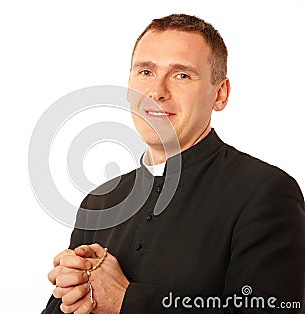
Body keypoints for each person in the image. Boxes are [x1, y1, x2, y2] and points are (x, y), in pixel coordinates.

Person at [43, 14, 305, 313]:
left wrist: (126, 299)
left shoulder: (266, 192)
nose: (157, 91)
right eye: (145, 71)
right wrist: (71, 290)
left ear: (220, 94)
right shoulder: (100, 201)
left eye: (181, 75)